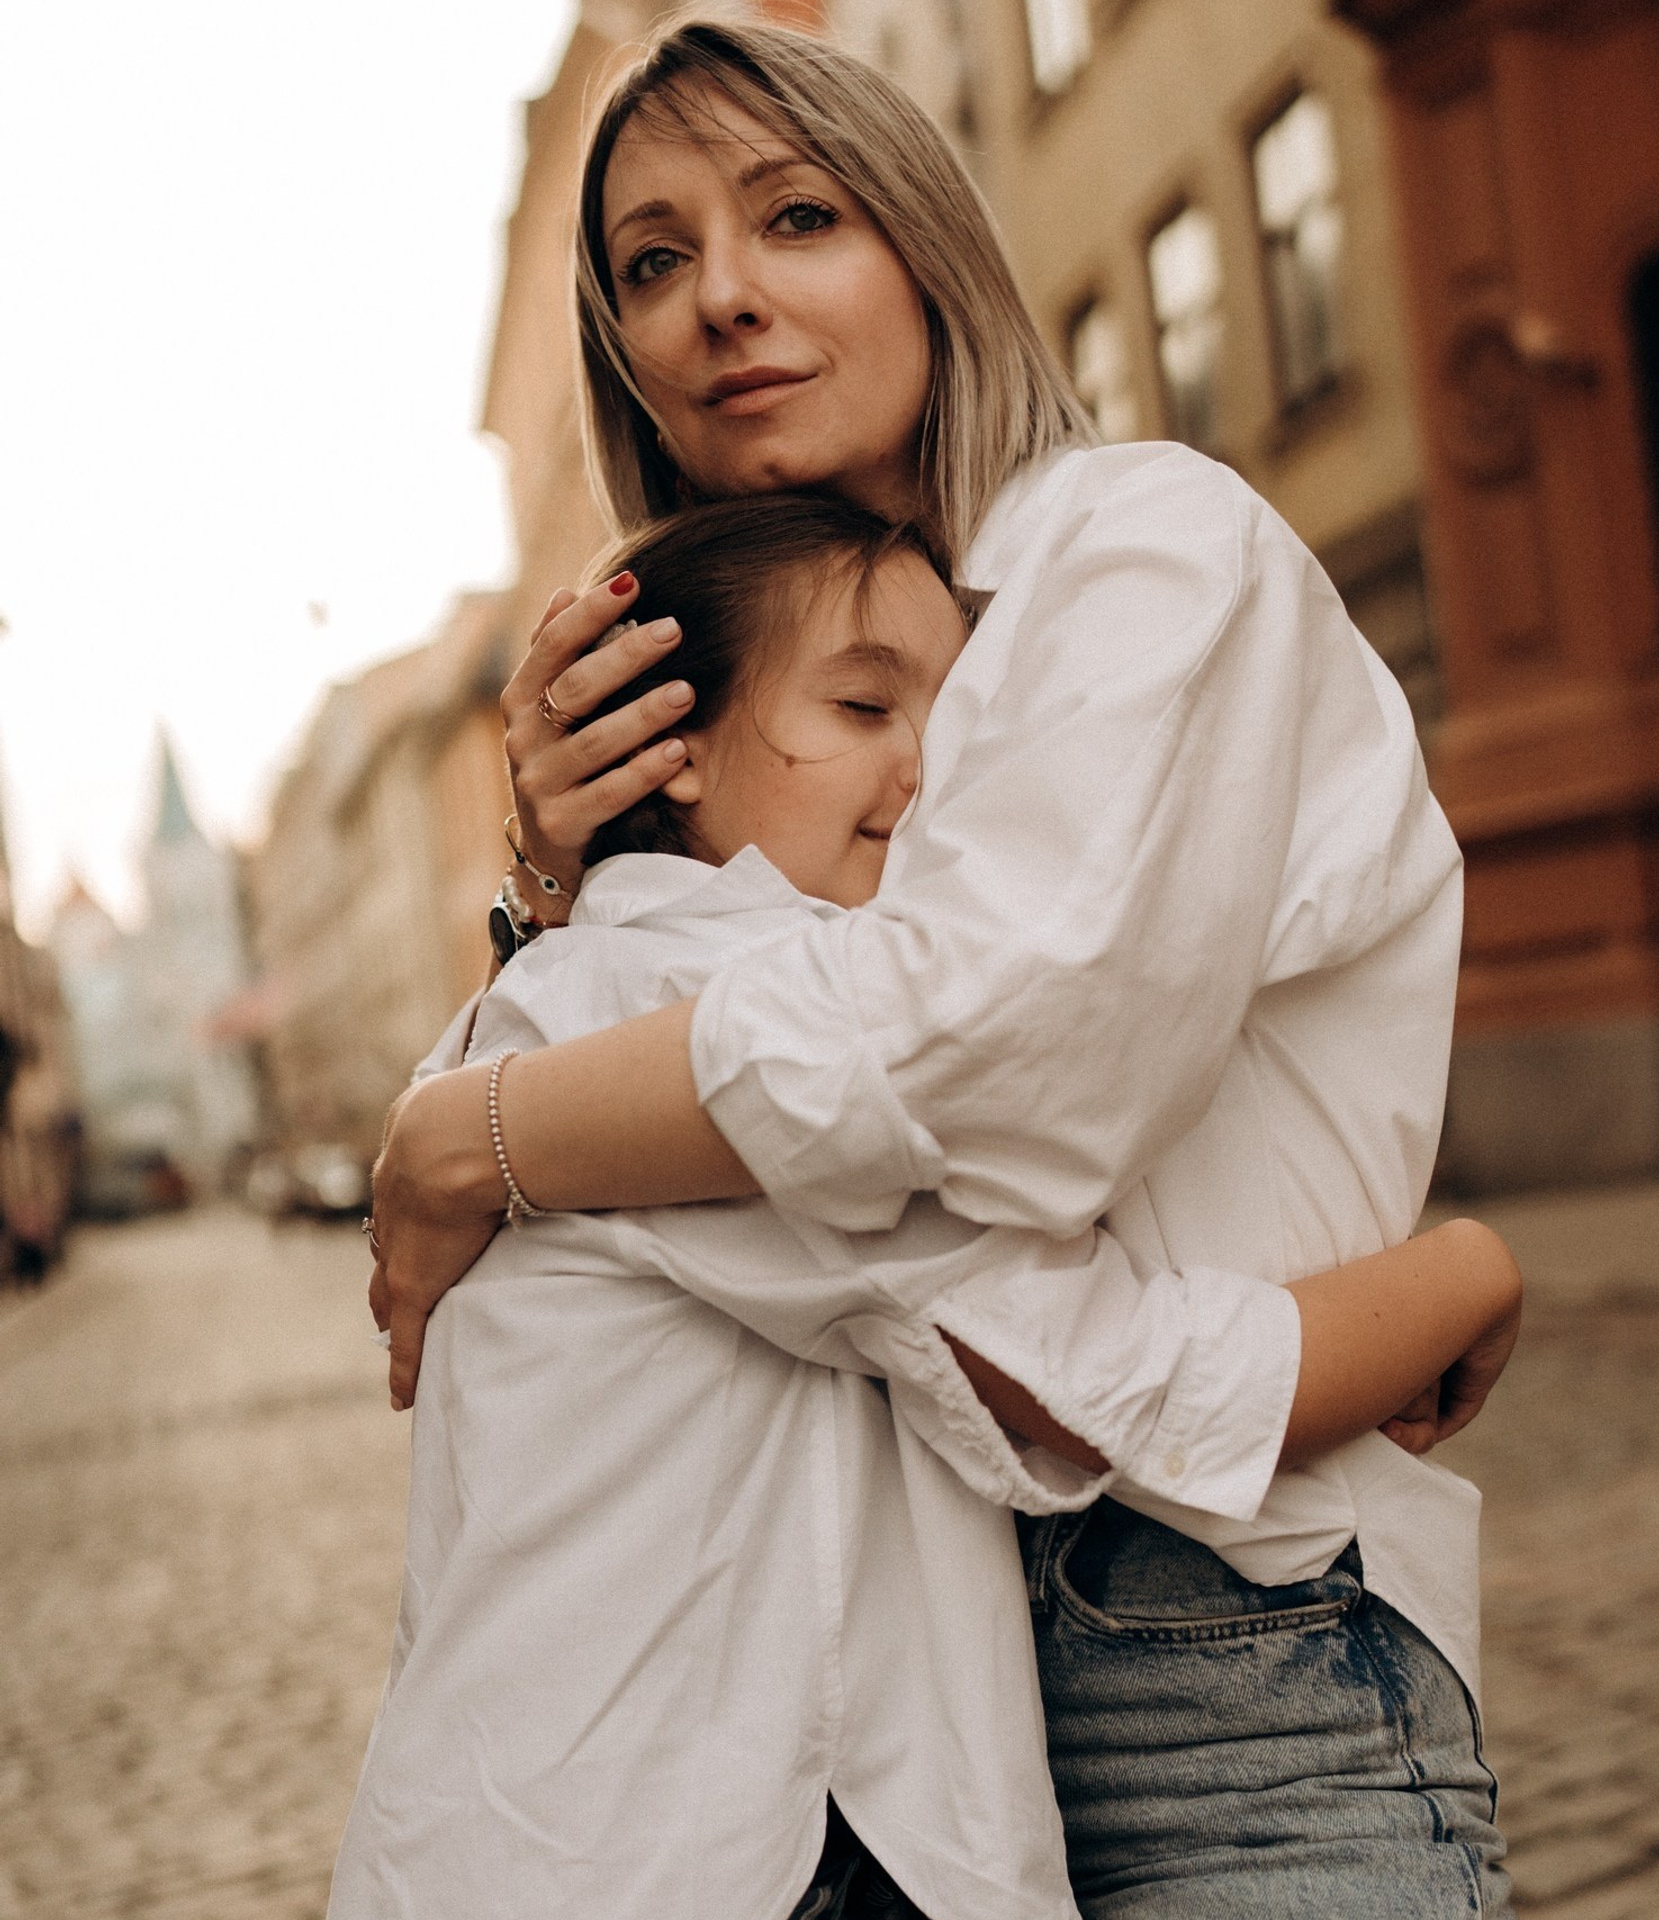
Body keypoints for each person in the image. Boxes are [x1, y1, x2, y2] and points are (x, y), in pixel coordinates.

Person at [367, 20, 1515, 1915]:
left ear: (923, 247)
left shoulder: (1145, 548)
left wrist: (473, 1132)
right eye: (652, 264)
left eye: (795, 215)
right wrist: (573, 884)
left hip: (1227, 1657)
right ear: (622, 363)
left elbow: (984, 1071)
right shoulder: (767, 732)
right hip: (905, 1718)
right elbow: (643, 1267)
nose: (724, 296)